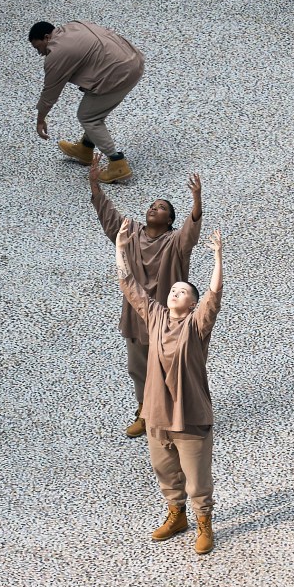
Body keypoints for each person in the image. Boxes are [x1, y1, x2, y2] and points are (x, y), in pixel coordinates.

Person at [116, 218, 224, 555]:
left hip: (189, 414)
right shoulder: (156, 316)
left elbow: (214, 295)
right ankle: (176, 515)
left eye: (183, 291)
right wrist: (120, 248)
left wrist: (218, 259)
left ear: (191, 303)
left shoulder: (197, 324)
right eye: (174, 289)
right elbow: (129, 285)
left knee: (197, 479)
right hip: (157, 414)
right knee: (165, 470)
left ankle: (204, 523)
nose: (176, 292)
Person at [89, 156, 201, 438]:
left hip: (166, 319)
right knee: (138, 367)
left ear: (170, 220)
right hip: (137, 315)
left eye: (162, 208)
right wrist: (95, 186)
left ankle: (176, 414)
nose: (154, 209)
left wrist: (197, 200)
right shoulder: (131, 232)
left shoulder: (175, 241)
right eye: (152, 206)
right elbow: (109, 218)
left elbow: (191, 231)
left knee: (169, 368)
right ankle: (144, 412)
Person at [31, 19, 145, 183]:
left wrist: (40, 119)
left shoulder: (56, 54)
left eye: (38, 47)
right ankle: (85, 148)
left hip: (120, 73)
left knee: (88, 117)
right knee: (95, 109)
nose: (40, 53)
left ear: (47, 37)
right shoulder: (74, 26)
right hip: (134, 60)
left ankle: (118, 164)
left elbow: (50, 92)